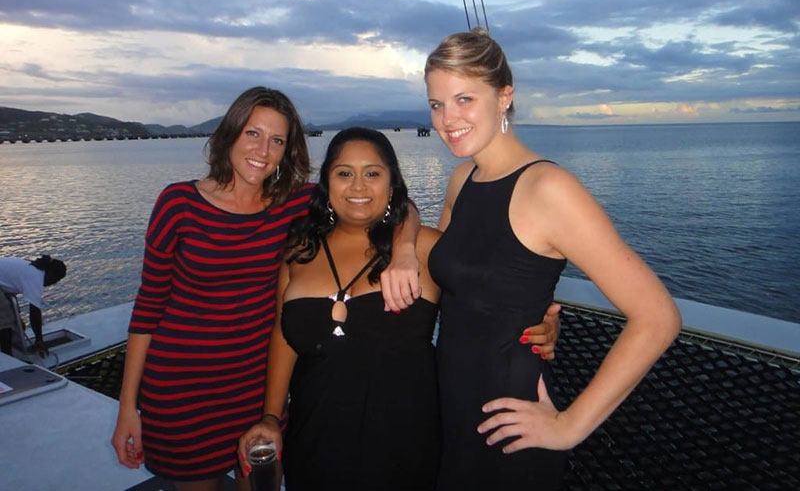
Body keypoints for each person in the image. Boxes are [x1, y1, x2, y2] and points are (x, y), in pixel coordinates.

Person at [110, 89, 421, 491]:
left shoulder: (296, 203)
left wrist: (406, 248)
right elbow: (147, 309)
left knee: (259, 485)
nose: (263, 149)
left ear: (288, 150)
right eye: (252, 134)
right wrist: (127, 407)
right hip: (181, 390)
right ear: (230, 135)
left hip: (257, 390)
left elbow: (395, 203)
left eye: (277, 140)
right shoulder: (178, 204)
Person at [417, 28, 682, 491]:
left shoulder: (549, 190)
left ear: (504, 97)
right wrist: (403, 243)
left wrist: (569, 425)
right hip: (452, 413)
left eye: (464, 99)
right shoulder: (463, 179)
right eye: (436, 104)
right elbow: (449, 262)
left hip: (510, 425)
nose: (446, 119)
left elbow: (658, 317)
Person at [237, 127, 560, 491]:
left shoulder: (423, 249)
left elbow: (495, 295)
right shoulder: (300, 248)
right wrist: (269, 416)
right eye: (344, 173)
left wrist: (541, 323)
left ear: (392, 184)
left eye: (372, 173)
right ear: (327, 184)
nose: (358, 187)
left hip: (406, 448)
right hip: (314, 442)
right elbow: (284, 336)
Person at [0, 254, 66, 358]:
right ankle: (7, 358)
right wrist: (39, 339)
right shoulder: (36, 276)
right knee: (6, 321)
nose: (53, 284)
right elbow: (34, 311)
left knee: (16, 321)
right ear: (51, 274)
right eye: (56, 280)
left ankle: (12, 348)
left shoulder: (33, 268)